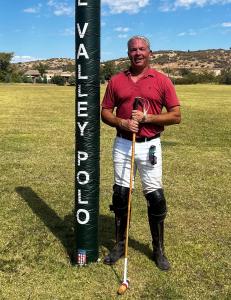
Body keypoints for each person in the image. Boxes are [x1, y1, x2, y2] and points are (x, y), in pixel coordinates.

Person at [101, 36, 181, 271]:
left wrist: (148, 118)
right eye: (133, 49)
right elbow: (105, 112)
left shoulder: (162, 81)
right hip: (124, 144)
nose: (137, 53)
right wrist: (122, 123)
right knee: (121, 195)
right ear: (128, 53)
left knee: (155, 197)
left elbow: (176, 115)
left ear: (150, 53)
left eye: (142, 49)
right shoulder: (116, 81)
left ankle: (158, 249)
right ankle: (120, 244)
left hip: (150, 145)